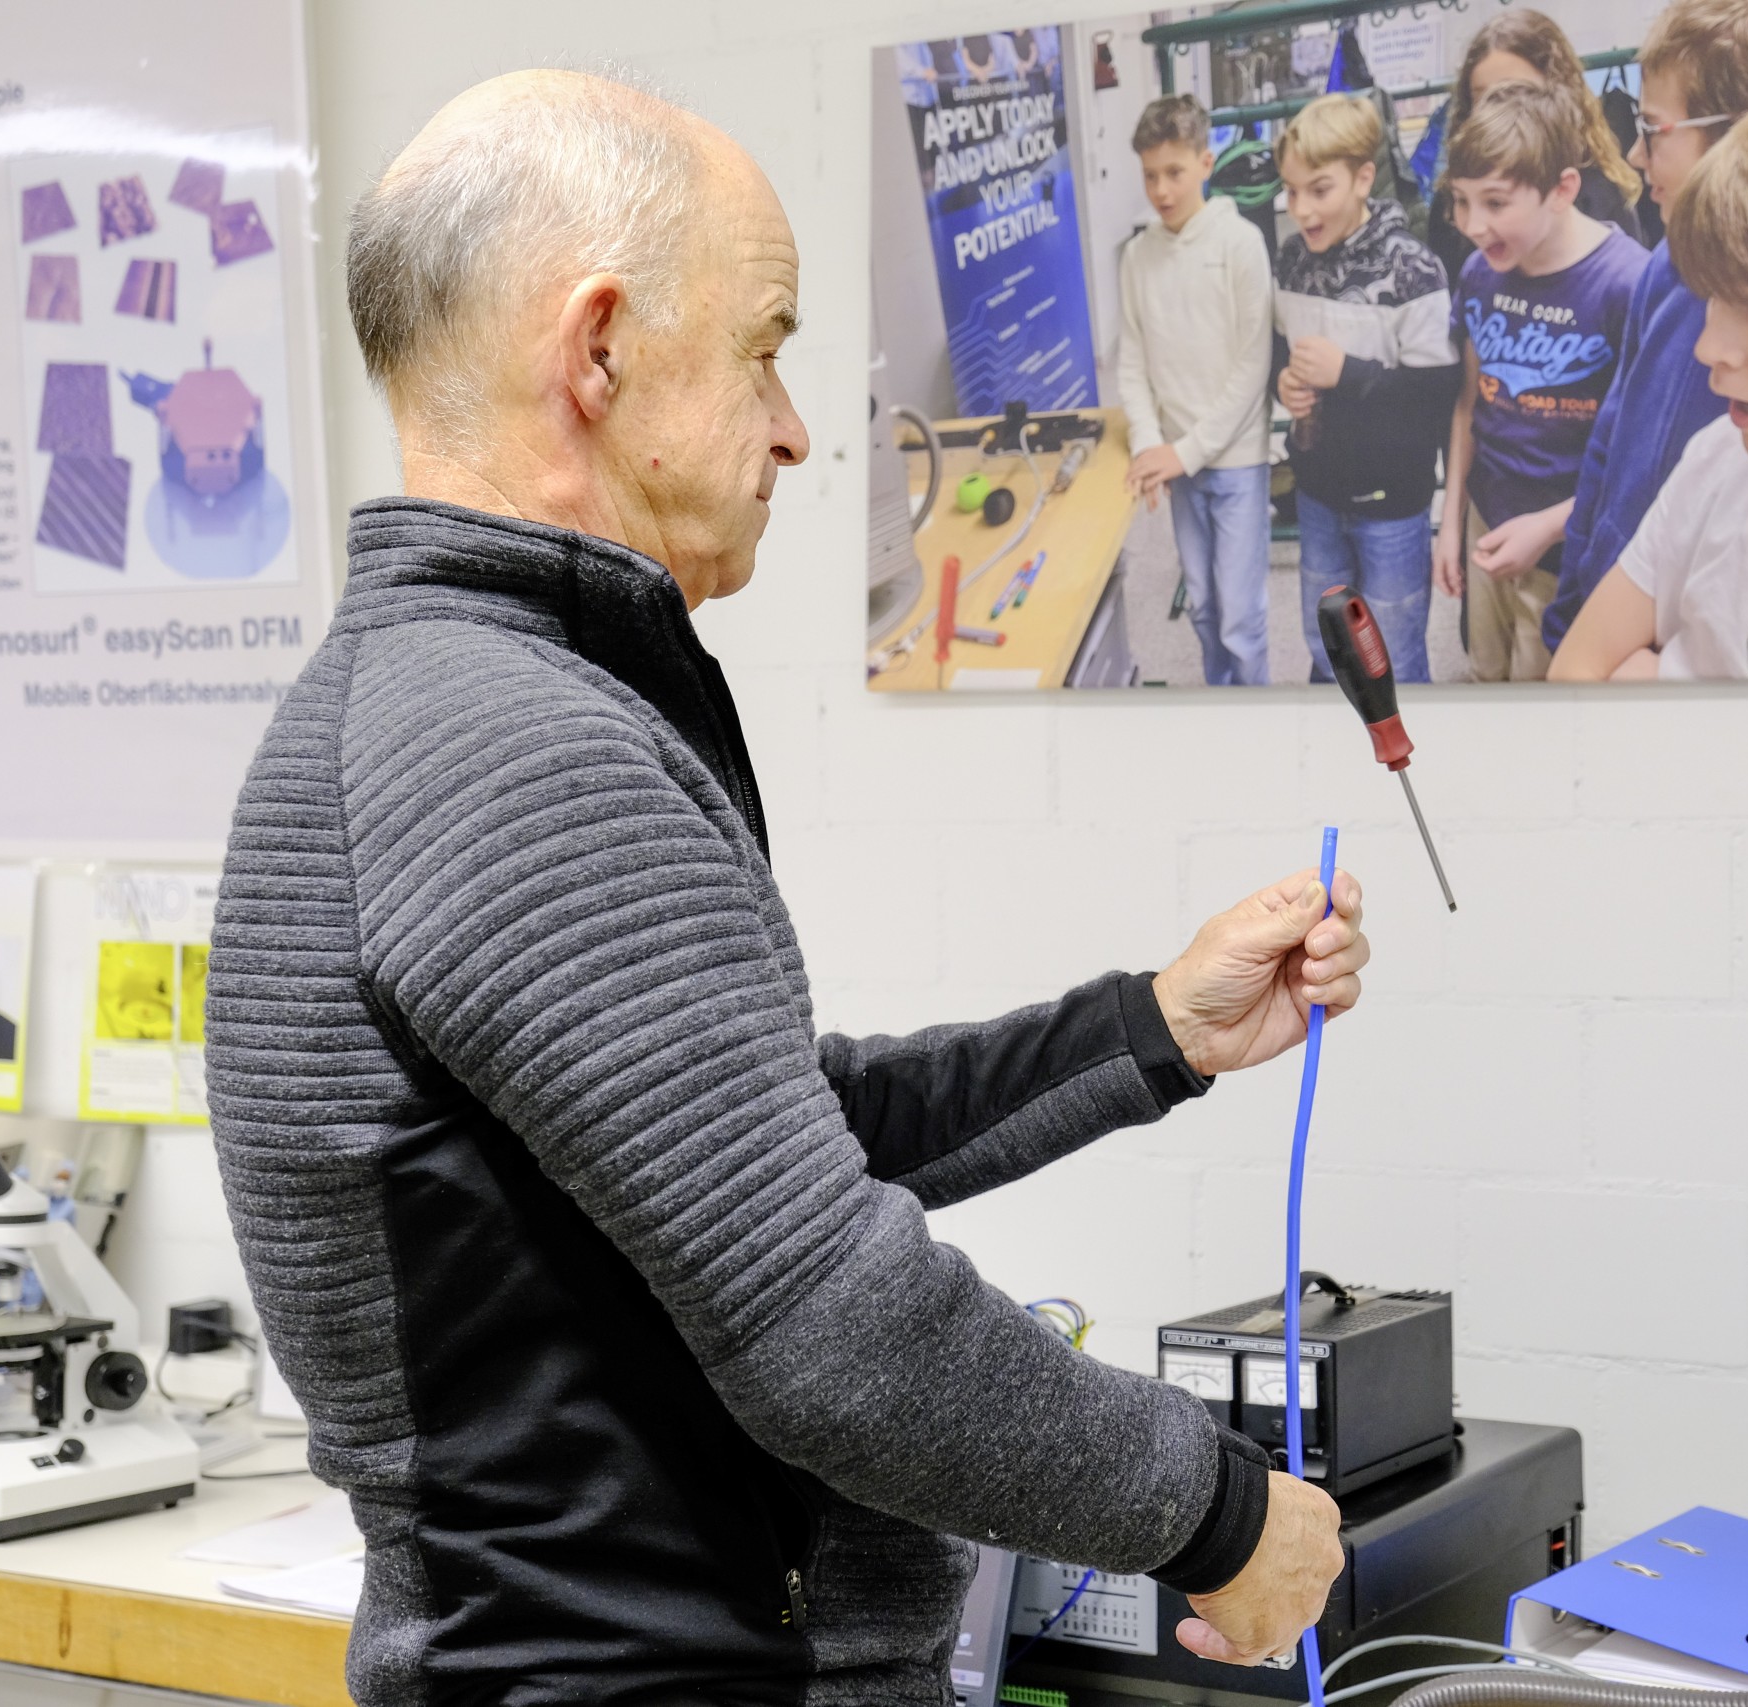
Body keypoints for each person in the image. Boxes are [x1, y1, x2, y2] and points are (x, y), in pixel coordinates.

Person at [206, 72, 1355, 1706]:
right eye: (765, 346)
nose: (798, 426)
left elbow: (777, 1148)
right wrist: (1225, 1511)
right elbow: (837, 1324)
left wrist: (1154, 1028)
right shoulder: (500, 743)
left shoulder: (469, 706)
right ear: (596, 351)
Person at [1542, 0, 1748, 657]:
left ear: (1747, 131)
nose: (1633, 153)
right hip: (1612, 610)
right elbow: (1612, 441)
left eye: (1654, 131)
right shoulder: (1661, 268)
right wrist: (1572, 602)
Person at [1435, 81, 1650, 682]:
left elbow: (1638, 457)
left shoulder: (1627, 284)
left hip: (1568, 540)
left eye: (1496, 203)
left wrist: (1552, 525)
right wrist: (1450, 520)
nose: (1473, 225)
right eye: (1461, 201)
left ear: (1562, 190)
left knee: (1543, 691)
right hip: (1487, 515)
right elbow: (1468, 406)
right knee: (1486, 674)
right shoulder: (1481, 273)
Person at [1271, 93, 1456, 684]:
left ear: (1363, 178)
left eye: (1318, 189)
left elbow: (1435, 399)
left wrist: (1348, 372)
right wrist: (1285, 384)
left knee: (1394, 657)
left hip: (1392, 508)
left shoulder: (1415, 271)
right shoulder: (1291, 261)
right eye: (1291, 191)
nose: (1301, 209)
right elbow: (1283, 351)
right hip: (1318, 494)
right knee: (1326, 649)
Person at [1114, 93, 1275, 686]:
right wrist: (1150, 445)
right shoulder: (1137, 256)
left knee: (1241, 618)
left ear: (1206, 164)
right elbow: (1131, 361)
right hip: (1177, 461)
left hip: (1234, 461)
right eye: (1150, 175)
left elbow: (1251, 367)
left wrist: (1181, 452)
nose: (1161, 189)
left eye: (1175, 172)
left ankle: (1256, 724)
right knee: (1205, 608)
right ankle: (1220, 707)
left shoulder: (1240, 245)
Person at [1425, 9, 1646, 288]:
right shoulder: (1455, 198)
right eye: (1484, 97)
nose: (1500, 109)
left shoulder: (1602, 192)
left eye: (1517, 93)